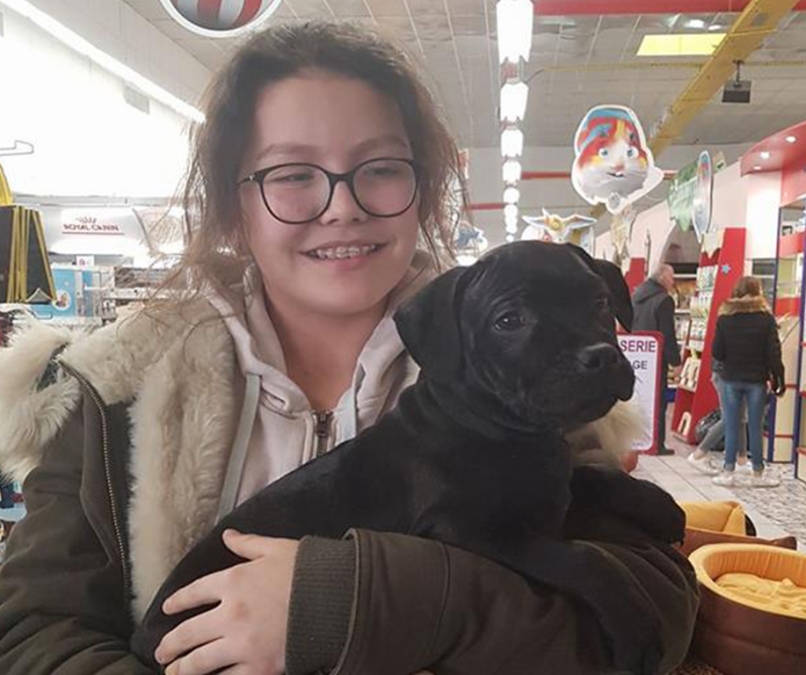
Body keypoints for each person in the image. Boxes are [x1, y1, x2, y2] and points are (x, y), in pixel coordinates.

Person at [0, 22, 698, 675]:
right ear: (235, 204)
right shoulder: (110, 390)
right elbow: (34, 631)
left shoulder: (520, 374)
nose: (343, 206)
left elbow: (650, 617)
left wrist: (373, 599)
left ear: (424, 188)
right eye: (292, 174)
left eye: (381, 167)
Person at [711, 277, 785, 488]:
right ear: (758, 292)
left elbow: (717, 351)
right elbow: (773, 352)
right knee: (755, 426)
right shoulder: (766, 319)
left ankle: (728, 472)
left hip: (730, 378)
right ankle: (758, 473)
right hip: (756, 380)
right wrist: (779, 378)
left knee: (732, 424)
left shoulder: (725, 318)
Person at [632, 262, 682, 455]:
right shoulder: (664, 300)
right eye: (671, 277)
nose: (673, 281)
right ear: (662, 277)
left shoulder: (637, 295)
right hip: (657, 357)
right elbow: (667, 333)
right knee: (658, 401)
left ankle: (638, 439)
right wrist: (676, 362)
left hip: (639, 354)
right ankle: (657, 443)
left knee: (640, 398)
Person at [686, 360, 750, 475]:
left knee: (739, 418)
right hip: (730, 375)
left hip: (731, 374)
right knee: (730, 418)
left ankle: (741, 460)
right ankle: (698, 455)